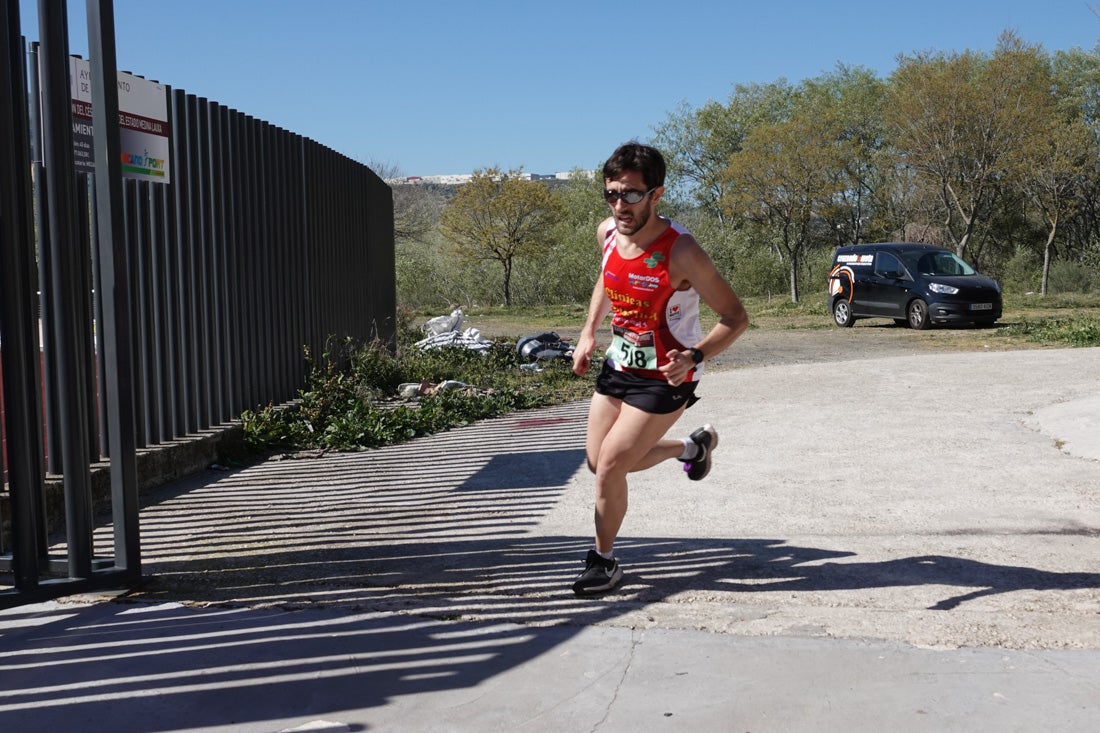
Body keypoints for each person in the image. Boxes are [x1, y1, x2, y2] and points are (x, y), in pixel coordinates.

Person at [570, 142, 749, 595]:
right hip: (620, 363)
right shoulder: (607, 233)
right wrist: (589, 331)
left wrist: (695, 356)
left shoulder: (681, 250)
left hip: (669, 373)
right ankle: (689, 450)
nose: (620, 205)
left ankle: (603, 561)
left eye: (631, 194)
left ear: (656, 195)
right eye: (612, 193)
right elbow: (607, 278)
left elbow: (736, 317)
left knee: (611, 465)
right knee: (597, 462)